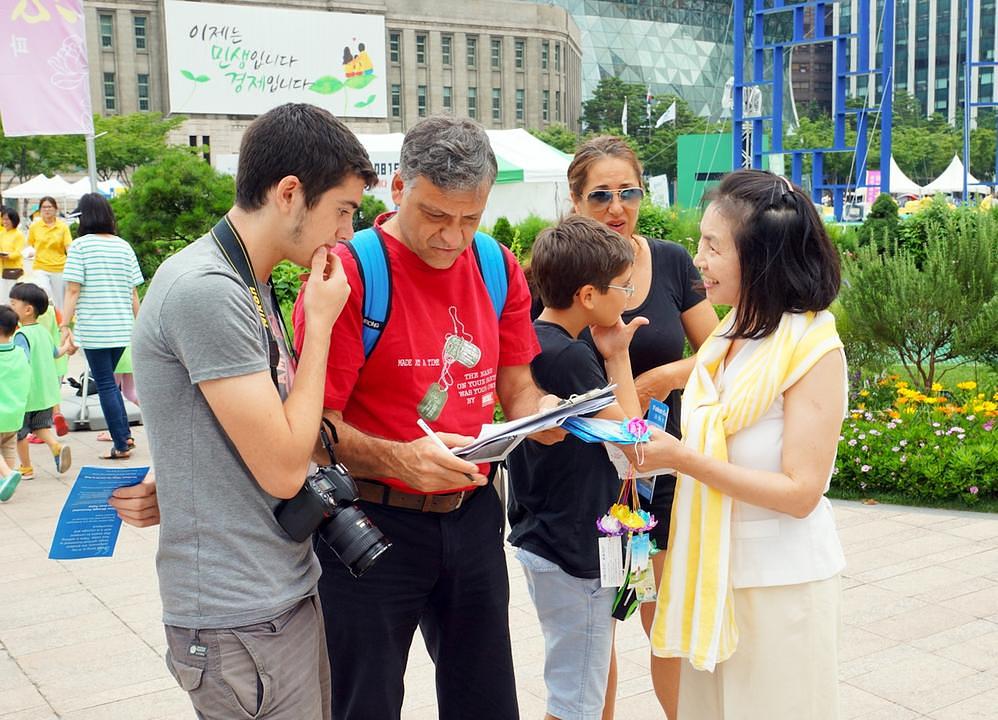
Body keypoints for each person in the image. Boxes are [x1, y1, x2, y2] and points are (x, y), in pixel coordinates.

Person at [291, 114, 557, 720]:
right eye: (435, 216)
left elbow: (517, 384)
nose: (452, 238)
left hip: (471, 513)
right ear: (397, 189)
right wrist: (400, 458)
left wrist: (540, 416)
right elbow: (315, 426)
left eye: (470, 218)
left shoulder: (495, 265)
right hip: (369, 519)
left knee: (486, 698)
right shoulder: (349, 273)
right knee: (365, 701)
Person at [131, 102, 377, 720]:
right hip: (237, 613)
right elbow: (285, 470)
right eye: (342, 211)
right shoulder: (208, 290)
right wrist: (319, 325)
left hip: (274, 592)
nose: (347, 234)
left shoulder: (251, 281)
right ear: (290, 193)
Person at [631, 169, 847, 719]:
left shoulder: (812, 348)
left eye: (712, 246)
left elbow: (801, 493)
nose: (697, 259)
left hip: (779, 586)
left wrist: (683, 459)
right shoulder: (730, 336)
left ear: (760, 258)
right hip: (714, 576)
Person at [566, 135, 717, 719]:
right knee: (595, 630)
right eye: (600, 194)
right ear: (576, 200)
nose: (616, 207)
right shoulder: (557, 271)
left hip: (662, 470)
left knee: (665, 617)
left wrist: (660, 380)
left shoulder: (672, 261)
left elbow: (719, 351)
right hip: (588, 473)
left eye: (628, 192)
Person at [507, 215, 646, 720]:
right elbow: (635, 441)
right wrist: (619, 358)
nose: (628, 295)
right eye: (622, 286)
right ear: (588, 294)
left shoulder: (538, 340)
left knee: (573, 684)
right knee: (576, 701)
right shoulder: (568, 357)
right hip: (573, 548)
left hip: (542, 532)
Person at [61, 193, 144, 459]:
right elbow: (133, 293)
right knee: (111, 384)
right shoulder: (123, 246)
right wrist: (140, 324)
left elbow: (73, 290)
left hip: (96, 328)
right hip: (122, 327)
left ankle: (121, 443)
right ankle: (125, 437)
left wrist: (65, 325)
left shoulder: (80, 247)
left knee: (107, 383)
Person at [8, 282, 73, 480]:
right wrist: (68, 347)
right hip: (46, 393)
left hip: (27, 394)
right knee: (39, 427)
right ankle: (55, 446)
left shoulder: (21, 334)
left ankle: (26, 467)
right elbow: (56, 352)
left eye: (13, 304)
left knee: (18, 434)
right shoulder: (43, 332)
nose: (9, 307)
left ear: (27, 310)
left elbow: (21, 362)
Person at [0, 304, 31, 501]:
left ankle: (8, 474)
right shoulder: (20, 353)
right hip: (14, 416)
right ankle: (5, 483)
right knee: (7, 449)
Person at [27, 196, 72, 312]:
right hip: (40, 266)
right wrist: (30, 252)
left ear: (55, 209)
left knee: (60, 301)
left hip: (59, 267)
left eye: (49, 207)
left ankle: (61, 324)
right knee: (44, 292)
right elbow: (29, 244)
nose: (47, 210)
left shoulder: (62, 227)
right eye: (44, 207)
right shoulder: (34, 227)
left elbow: (68, 247)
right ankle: (45, 319)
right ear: (40, 210)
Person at [0, 208, 26, 301]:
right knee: (2, 295)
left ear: (13, 220)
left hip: (13, 269)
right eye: (3, 219)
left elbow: (19, 252)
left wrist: (8, 256)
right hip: (2, 268)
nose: (5, 221)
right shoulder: (1, 233)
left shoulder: (18, 235)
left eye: (7, 219)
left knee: (11, 295)